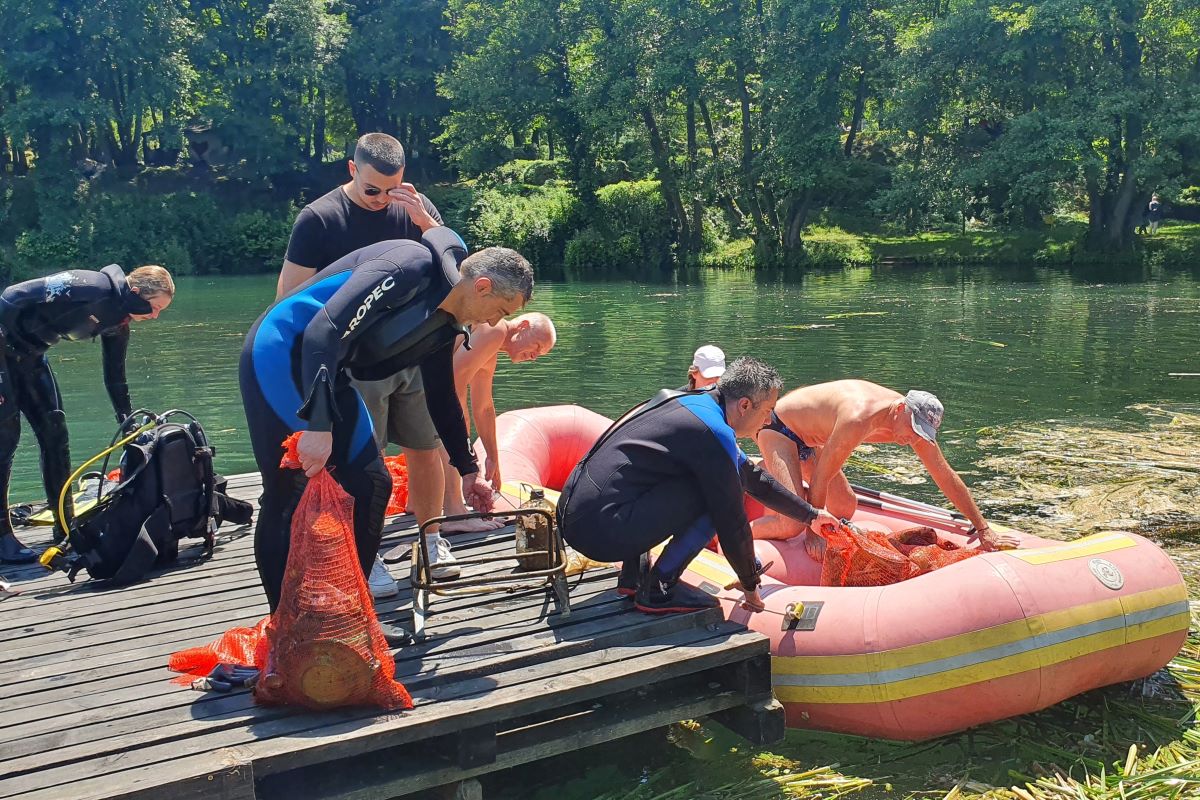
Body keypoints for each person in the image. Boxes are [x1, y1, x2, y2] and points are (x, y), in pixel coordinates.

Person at [240, 229, 532, 643]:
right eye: (500, 309)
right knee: (287, 491)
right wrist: (319, 426)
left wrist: (468, 470)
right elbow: (322, 330)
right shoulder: (407, 267)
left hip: (327, 372)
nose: (494, 323)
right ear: (481, 286)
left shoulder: (446, 322)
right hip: (281, 352)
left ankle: (350, 616)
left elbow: (442, 396)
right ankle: (283, 629)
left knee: (372, 483)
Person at [274, 132, 457, 597]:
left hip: (410, 351)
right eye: (372, 189)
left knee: (425, 445)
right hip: (353, 360)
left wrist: (422, 217)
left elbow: (451, 267)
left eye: (391, 189)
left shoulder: (414, 207)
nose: (381, 200)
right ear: (352, 171)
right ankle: (368, 557)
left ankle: (431, 539)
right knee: (363, 460)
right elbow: (287, 300)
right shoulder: (318, 218)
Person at [557, 357, 838, 614]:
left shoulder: (694, 404)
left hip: (576, 516)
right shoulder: (713, 432)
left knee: (710, 477)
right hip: (599, 532)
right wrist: (750, 583)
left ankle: (633, 578)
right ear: (744, 405)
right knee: (718, 494)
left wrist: (810, 515)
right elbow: (731, 521)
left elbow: (754, 478)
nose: (769, 421)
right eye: (767, 411)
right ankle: (659, 589)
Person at [0, 265, 174, 562]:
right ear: (136, 293)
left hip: (31, 357)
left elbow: (115, 377)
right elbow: (11, 298)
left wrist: (127, 421)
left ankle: (65, 526)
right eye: (154, 307)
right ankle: (2, 536)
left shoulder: (118, 321)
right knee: (6, 440)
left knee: (56, 434)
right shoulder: (89, 287)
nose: (155, 315)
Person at [753, 379, 1017, 550]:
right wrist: (814, 531)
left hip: (812, 440)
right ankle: (728, 533)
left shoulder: (912, 425)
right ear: (901, 408)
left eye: (921, 433)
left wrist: (983, 528)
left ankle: (776, 485)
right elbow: (821, 477)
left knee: (846, 505)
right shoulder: (859, 417)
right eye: (913, 429)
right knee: (793, 525)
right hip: (779, 430)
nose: (912, 438)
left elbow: (944, 475)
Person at [437, 313, 557, 531]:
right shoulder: (495, 330)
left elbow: (483, 407)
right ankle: (455, 513)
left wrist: (493, 457)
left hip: (418, 381)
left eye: (541, 354)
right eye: (537, 346)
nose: (534, 357)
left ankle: (419, 505)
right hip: (420, 382)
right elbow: (452, 390)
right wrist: (466, 458)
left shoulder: (491, 346)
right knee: (447, 426)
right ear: (523, 326)